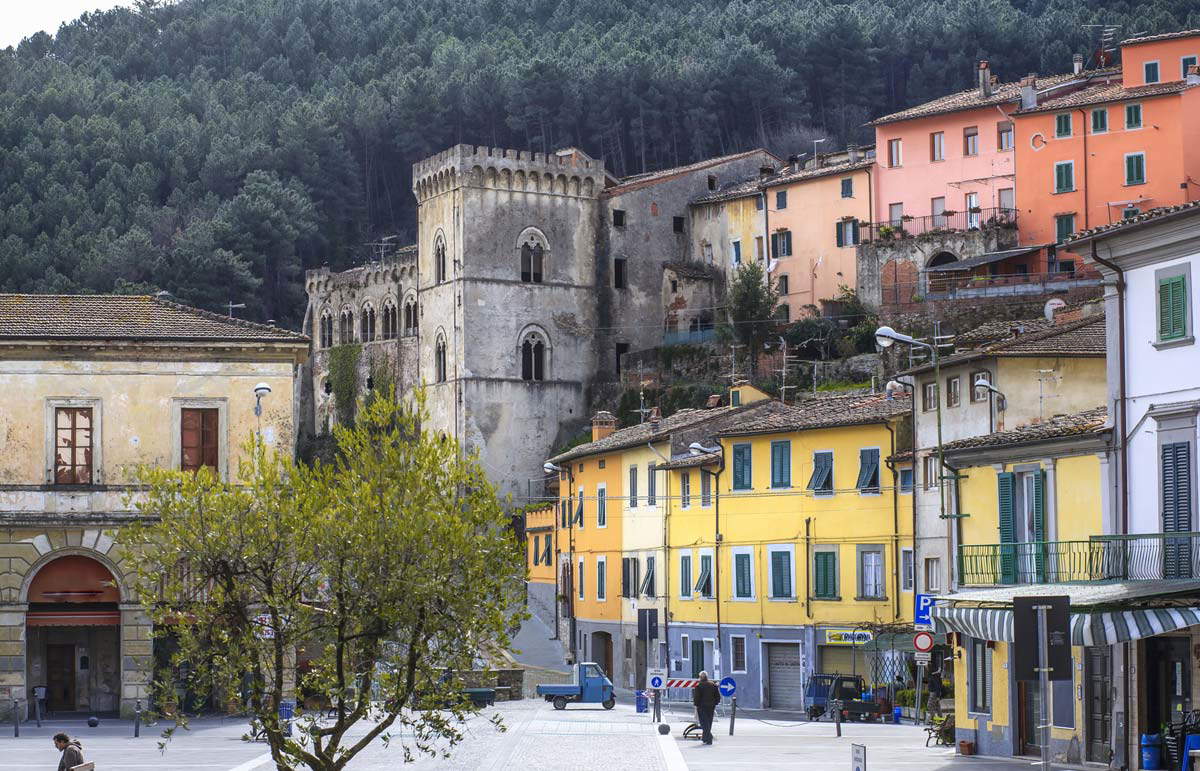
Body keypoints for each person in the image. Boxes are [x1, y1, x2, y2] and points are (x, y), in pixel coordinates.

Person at [692, 670, 722, 745]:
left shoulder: (699, 686)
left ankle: (709, 738)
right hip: (711, 706)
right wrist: (715, 703)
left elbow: (696, 698)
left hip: (702, 707)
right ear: (707, 677)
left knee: (704, 723)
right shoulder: (713, 685)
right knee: (709, 722)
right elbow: (718, 696)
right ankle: (705, 738)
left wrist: (696, 705)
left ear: (700, 677)